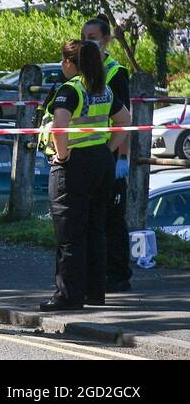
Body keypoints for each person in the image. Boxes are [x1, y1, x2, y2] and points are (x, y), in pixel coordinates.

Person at [40, 39, 131, 311]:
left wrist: (63, 156)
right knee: (95, 228)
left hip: (74, 165)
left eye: (63, 61)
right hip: (101, 163)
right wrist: (107, 148)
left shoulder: (71, 89)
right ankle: (94, 291)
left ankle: (68, 295)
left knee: (69, 232)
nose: (61, 65)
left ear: (70, 63)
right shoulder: (102, 89)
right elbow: (125, 121)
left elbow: (59, 126)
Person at [81, 16, 133, 293]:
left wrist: (121, 158)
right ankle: (99, 271)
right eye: (84, 38)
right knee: (94, 216)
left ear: (106, 40)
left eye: (93, 37)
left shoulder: (115, 73)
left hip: (109, 155)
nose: (88, 43)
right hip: (91, 155)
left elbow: (124, 120)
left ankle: (119, 273)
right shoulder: (84, 72)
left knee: (113, 216)